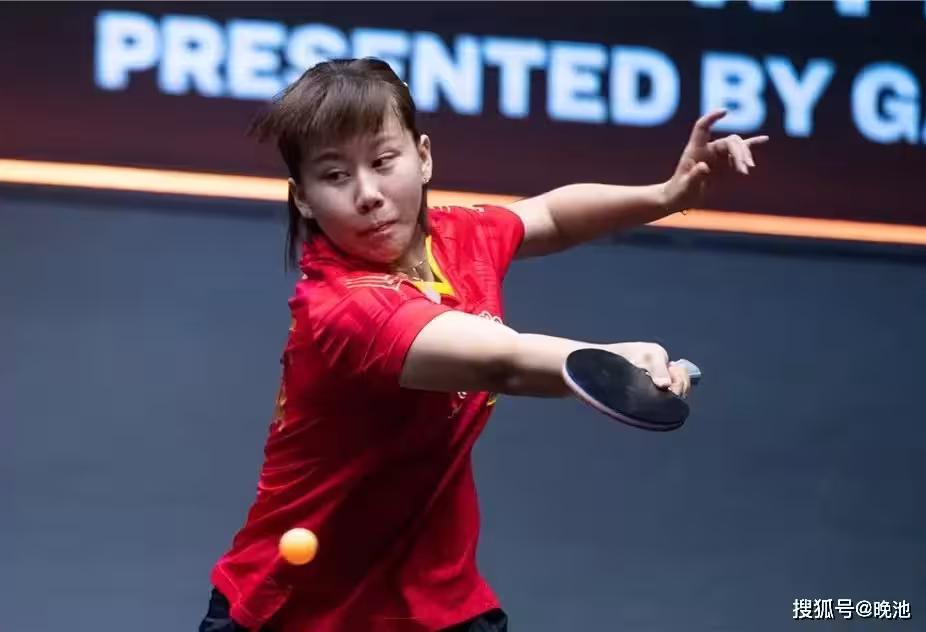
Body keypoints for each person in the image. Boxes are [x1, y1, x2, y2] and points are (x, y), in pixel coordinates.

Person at [199, 57, 767, 632]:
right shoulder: (343, 308)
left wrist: (667, 195)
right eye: (336, 175)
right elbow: (502, 362)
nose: (367, 193)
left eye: (383, 161)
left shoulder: (454, 237)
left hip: (436, 604)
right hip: (291, 612)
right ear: (302, 198)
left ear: (423, 157)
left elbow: (549, 216)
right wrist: (611, 361)